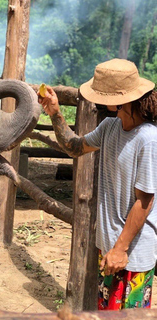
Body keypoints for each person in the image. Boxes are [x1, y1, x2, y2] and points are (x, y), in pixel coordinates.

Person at [39, 58, 157, 310]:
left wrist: (120, 250)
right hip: (110, 247)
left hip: (130, 254)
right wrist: (55, 112)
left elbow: (144, 201)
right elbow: (74, 147)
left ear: (118, 100)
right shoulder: (110, 127)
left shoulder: (148, 139)